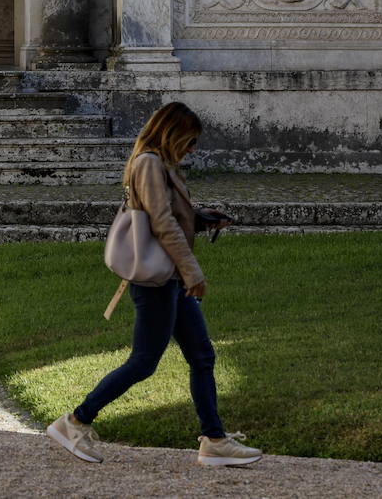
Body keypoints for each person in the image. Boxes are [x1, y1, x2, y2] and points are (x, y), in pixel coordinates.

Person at [46, 102, 263, 468]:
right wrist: (193, 272)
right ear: (171, 133)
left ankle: (215, 441)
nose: (192, 149)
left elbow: (168, 213)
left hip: (171, 280)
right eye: (189, 141)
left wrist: (201, 219)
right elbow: (161, 223)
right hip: (159, 281)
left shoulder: (161, 163)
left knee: (202, 356)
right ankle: (76, 421)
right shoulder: (148, 162)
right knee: (144, 362)